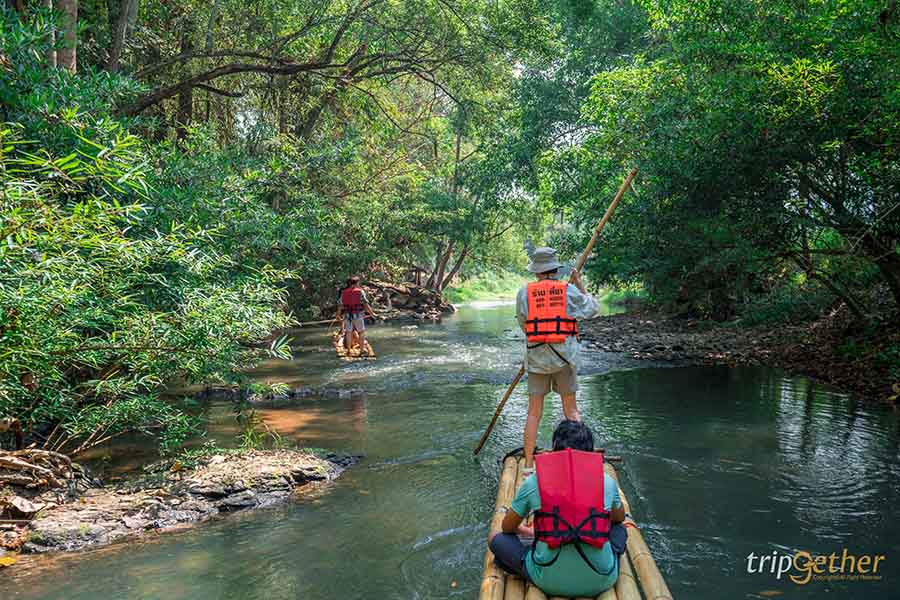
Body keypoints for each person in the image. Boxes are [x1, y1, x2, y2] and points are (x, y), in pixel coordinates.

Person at [489, 420, 627, 598]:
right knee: (620, 530)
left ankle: (531, 558)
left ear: (554, 450)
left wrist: (528, 532)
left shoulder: (534, 481)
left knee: (496, 539)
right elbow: (618, 518)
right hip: (601, 578)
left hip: (547, 579)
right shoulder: (606, 481)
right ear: (590, 453)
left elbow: (507, 527)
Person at [516, 247, 597, 470]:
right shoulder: (568, 289)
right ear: (555, 269)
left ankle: (529, 464)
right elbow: (592, 310)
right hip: (565, 359)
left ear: (536, 271)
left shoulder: (524, 292)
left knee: (534, 412)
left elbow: (523, 324)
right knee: (571, 410)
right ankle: (581, 461)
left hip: (536, 359)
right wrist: (579, 284)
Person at [337, 276, 376, 354]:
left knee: (348, 332)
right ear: (357, 283)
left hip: (347, 315)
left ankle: (348, 350)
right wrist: (372, 313)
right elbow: (365, 304)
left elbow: (340, 305)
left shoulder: (344, 292)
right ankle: (361, 350)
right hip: (358, 315)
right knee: (361, 332)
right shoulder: (360, 291)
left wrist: (338, 315)